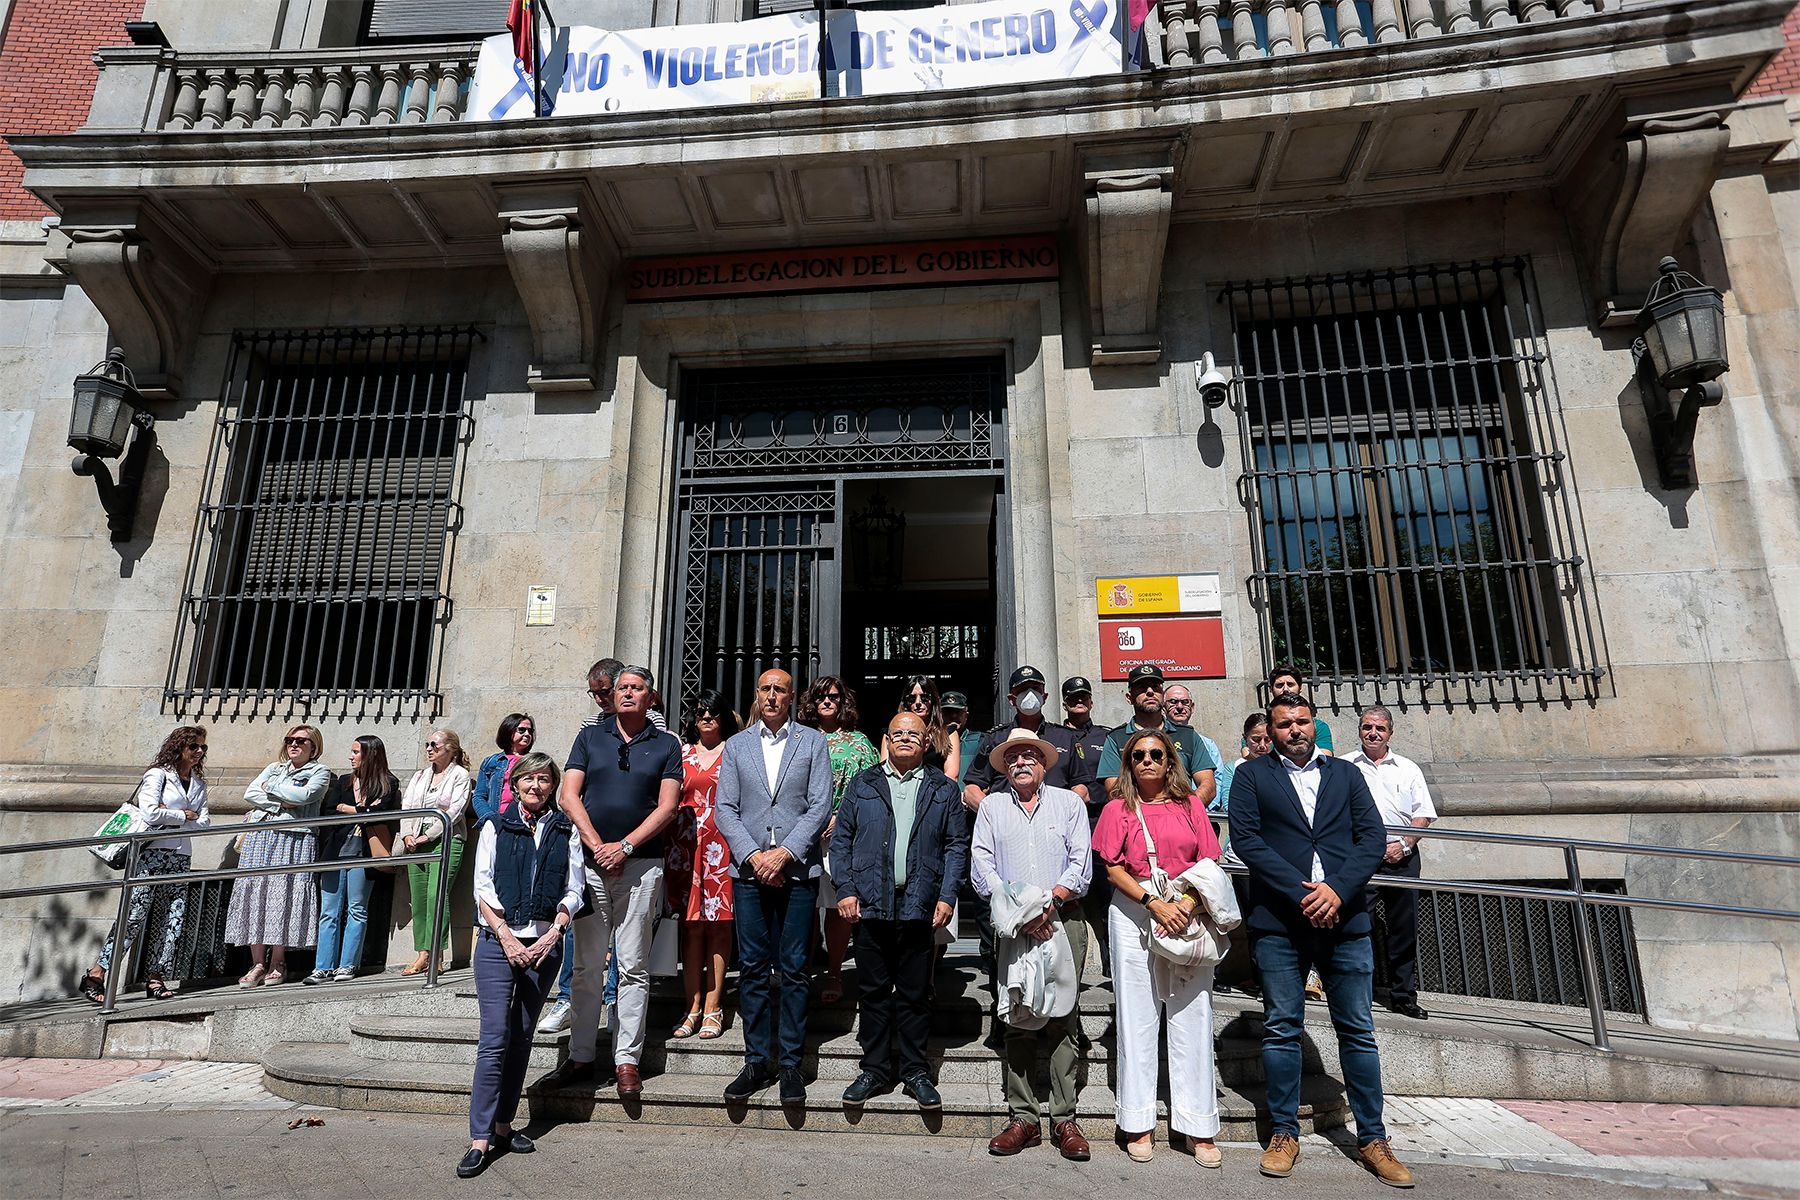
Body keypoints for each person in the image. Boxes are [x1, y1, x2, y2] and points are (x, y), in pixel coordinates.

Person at [1227, 692, 1412, 1187]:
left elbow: (1372, 837)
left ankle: (1373, 1138)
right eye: (1284, 723)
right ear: (1271, 729)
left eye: (1302, 721)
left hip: (1345, 919)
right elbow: (1246, 841)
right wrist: (1303, 892)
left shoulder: (1346, 774)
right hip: (1281, 923)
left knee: (1356, 1029)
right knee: (1282, 1026)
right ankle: (1284, 1132)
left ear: (1315, 725)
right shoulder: (1251, 776)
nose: (1295, 730)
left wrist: (1337, 890)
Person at [546, 665, 682, 1098]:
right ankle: (581, 1054)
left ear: (651, 697)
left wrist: (623, 847)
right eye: (621, 687)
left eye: (636, 688)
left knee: (633, 967)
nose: (627, 693)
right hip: (590, 867)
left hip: (641, 867)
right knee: (586, 966)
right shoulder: (590, 737)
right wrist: (598, 845)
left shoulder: (666, 744)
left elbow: (667, 808)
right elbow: (568, 795)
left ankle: (627, 1060)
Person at [1094, 728, 1228, 1166]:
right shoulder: (1117, 808)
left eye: (1157, 754)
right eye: (1138, 756)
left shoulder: (1192, 805)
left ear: (1171, 761)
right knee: (1137, 1014)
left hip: (1188, 906)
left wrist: (1186, 904)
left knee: (1193, 1011)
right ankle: (1138, 1121)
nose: (1147, 760)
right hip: (1134, 908)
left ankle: (1199, 1127)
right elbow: (1111, 868)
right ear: (1128, 765)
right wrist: (1153, 903)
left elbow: (1209, 860)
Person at [831, 711, 967, 1110]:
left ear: (927, 743)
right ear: (886, 741)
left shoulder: (943, 788)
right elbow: (842, 841)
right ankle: (873, 1068)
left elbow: (956, 846)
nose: (906, 738)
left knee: (914, 992)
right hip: (870, 903)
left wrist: (946, 896)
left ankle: (914, 1071)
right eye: (898, 733)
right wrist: (845, 888)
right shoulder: (863, 784)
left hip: (919, 904)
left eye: (914, 733)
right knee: (872, 991)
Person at [458, 752, 582, 1179]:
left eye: (544, 780)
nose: (536, 786)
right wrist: (508, 937)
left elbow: (574, 888)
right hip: (497, 944)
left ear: (552, 786)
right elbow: (482, 885)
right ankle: (479, 1138)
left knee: (523, 1036)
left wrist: (552, 934)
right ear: (515, 783)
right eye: (528, 778)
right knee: (495, 1038)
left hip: (544, 947)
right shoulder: (496, 824)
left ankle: (504, 1125)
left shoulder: (565, 830)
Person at [971, 729, 1092, 1161]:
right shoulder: (991, 807)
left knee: (1063, 1017)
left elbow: (1081, 862)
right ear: (1004, 766)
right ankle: (1023, 1117)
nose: (1021, 761)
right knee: (1017, 1016)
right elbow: (982, 866)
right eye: (1013, 757)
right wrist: (1021, 914)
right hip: (1013, 926)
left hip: (1063, 919)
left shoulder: (1070, 803)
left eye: (1030, 756)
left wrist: (1050, 904)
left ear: (1044, 764)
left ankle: (1064, 1119)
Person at [715, 668, 833, 1106]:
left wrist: (785, 854)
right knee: (752, 968)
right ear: (757, 695)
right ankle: (755, 1060)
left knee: (796, 968)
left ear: (791, 697)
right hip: (748, 873)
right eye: (764, 688)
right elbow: (724, 807)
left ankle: (790, 1065)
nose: (770, 695)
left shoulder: (812, 742)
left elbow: (820, 805)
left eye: (779, 689)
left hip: (798, 872)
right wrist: (753, 856)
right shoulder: (738, 745)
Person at [81, 726, 210, 1003]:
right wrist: (184, 815)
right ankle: (97, 973)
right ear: (179, 748)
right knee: (134, 916)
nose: (199, 752)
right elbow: (150, 813)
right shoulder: (158, 774)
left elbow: (204, 823)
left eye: (203, 748)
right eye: (194, 747)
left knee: (173, 917)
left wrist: (176, 815)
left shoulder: (199, 784)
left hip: (180, 856)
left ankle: (156, 977)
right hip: (151, 854)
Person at [542, 659, 624, 1034]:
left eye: (605, 691)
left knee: (622, 937)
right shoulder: (588, 729)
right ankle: (565, 1000)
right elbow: (572, 791)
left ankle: (613, 1000)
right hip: (588, 846)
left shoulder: (651, 726)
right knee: (578, 925)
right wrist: (594, 840)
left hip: (628, 850)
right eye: (594, 693)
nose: (600, 699)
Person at [1343, 705, 1437, 1020]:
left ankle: (1403, 997)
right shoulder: (1344, 766)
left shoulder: (1408, 768)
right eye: (1367, 727)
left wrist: (1405, 844)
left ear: (1390, 733)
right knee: (1357, 926)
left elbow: (1422, 814)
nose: (1373, 733)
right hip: (1360, 857)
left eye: (1379, 729)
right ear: (1359, 729)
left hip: (1403, 857)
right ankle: (1358, 994)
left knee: (1404, 930)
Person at [227, 725, 331, 987]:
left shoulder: (320, 771)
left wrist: (269, 789)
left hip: (295, 836)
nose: (294, 745)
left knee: (283, 895)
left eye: (301, 741)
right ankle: (257, 963)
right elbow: (250, 793)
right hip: (261, 835)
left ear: (313, 746)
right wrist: (280, 800)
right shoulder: (275, 768)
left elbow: (306, 795)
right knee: (255, 893)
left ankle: (278, 962)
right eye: (289, 740)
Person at [799, 674, 878, 1004]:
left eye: (833, 696)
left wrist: (839, 817)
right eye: (820, 697)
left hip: (842, 833)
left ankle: (833, 971)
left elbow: (870, 786)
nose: (827, 702)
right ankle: (799, 971)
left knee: (837, 905)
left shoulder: (859, 742)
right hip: (801, 831)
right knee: (802, 905)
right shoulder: (798, 739)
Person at [667, 689, 740, 1040]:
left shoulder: (737, 750)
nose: (706, 717)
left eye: (712, 711)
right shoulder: (680, 753)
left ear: (723, 715)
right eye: (699, 713)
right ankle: (691, 1006)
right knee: (691, 926)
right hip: (685, 846)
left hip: (723, 845)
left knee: (721, 926)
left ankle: (714, 1006)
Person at [305, 735, 400, 985]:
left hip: (364, 854)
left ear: (371, 755)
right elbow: (329, 811)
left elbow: (383, 813)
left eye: (356, 752)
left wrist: (349, 810)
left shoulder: (388, 783)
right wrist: (362, 811)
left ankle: (347, 965)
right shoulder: (344, 782)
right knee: (329, 912)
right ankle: (322, 967)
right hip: (335, 853)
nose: (351, 756)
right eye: (352, 751)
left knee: (357, 909)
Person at [397, 729, 474, 976]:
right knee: (419, 898)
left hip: (446, 839)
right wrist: (408, 834)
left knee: (436, 895)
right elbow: (407, 806)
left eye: (435, 744)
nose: (429, 748)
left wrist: (427, 836)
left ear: (450, 748)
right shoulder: (421, 776)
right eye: (427, 744)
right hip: (415, 840)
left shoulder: (460, 775)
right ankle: (422, 954)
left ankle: (437, 954)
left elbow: (455, 811)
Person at [1094, 666, 1218, 803]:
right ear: (1129, 697)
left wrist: (1184, 812)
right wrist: (1150, 815)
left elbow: (1208, 786)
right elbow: (1115, 790)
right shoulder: (1116, 739)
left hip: (1180, 819)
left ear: (1163, 695)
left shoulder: (1188, 736)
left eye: (1155, 687)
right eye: (1142, 687)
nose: (1150, 692)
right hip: (1137, 821)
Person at [881, 675, 961, 779]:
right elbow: (885, 771)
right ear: (906, 703)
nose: (918, 702)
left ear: (934, 701)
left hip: (937, 791)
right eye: (911, 698)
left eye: (925, 698)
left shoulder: (948, 734)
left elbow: (951, 775)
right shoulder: (890, 734)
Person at [472, 714, 536, 824]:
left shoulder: (535, 762)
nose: (527, 734)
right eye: (522, 730)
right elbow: (479, 796)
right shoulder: (491, 762)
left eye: (530, 731)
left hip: (525, 822)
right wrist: (490, 819)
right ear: (509, 730)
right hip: (497, 821)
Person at [1269, 665, 1334, 753]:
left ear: (1300, 688)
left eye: (1290, 684)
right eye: (1279, 685)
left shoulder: (1319, 727)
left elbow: (1324, 758)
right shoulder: (1257, 728)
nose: (1285, 689)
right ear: (1271, 690)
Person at [939, 690, 982, 789]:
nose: (953, 716)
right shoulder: (931, 744)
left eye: (958, 712)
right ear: (940, 715)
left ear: (966, 715)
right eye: (948, 712)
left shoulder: (980, 741)